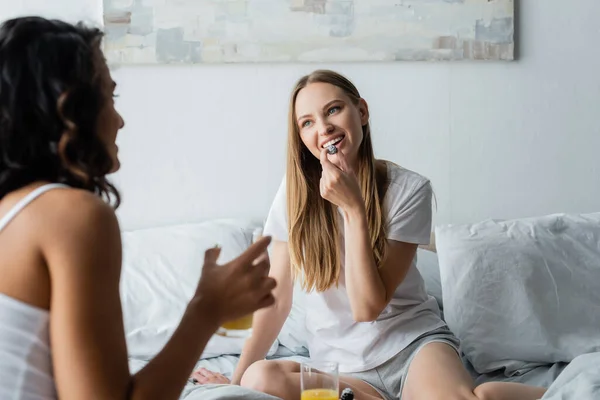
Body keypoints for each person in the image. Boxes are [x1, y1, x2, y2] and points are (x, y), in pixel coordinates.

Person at [193, 70, 547, 400]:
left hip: (414, 350)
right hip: (342, 371)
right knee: (261, 378)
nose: (324, 128)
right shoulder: (295, 195)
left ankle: (543, 393)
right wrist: (238, 381)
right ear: (302, 139)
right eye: (308, 123)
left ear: (361, 111)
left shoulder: (409, 190)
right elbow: (277, 300)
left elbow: (367, 307)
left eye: (333, 110)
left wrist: (353, 210)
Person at [0, 16, 276, 400]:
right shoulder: (73, 216)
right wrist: (206, 308)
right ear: (69, 109)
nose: (120, 120)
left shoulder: (13, 212)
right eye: (109, 97)